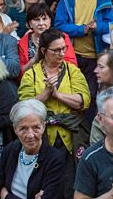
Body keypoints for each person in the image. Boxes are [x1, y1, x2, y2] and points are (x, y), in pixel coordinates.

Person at [17, 28, 91, 159]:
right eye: (56, 50)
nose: (61, 53)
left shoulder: (72, 70)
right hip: (42, 135)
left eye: (64, 48)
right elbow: (25, 107)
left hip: (71, 133)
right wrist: (46, 92)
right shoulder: (31, 74)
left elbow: (83, 101)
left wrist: (57, 95)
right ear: (44, 51)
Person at [54, 0, 113, 81]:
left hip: (97, 54)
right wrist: (82, 29)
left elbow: (112, 25)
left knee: (92, 94)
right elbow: (59, 25)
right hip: (73, 54)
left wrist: (97, 27)